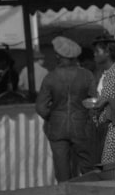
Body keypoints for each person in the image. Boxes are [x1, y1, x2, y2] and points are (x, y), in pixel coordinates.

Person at [34, 37, 97, 182]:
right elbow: (94, 101)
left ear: (58, 56)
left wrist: (53, 116)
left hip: (57, 127)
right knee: (87, 165)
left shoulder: (50, 78)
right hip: (81, 124)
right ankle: (92, 194)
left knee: (62, 167)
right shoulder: (87, 75)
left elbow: (40, 107)